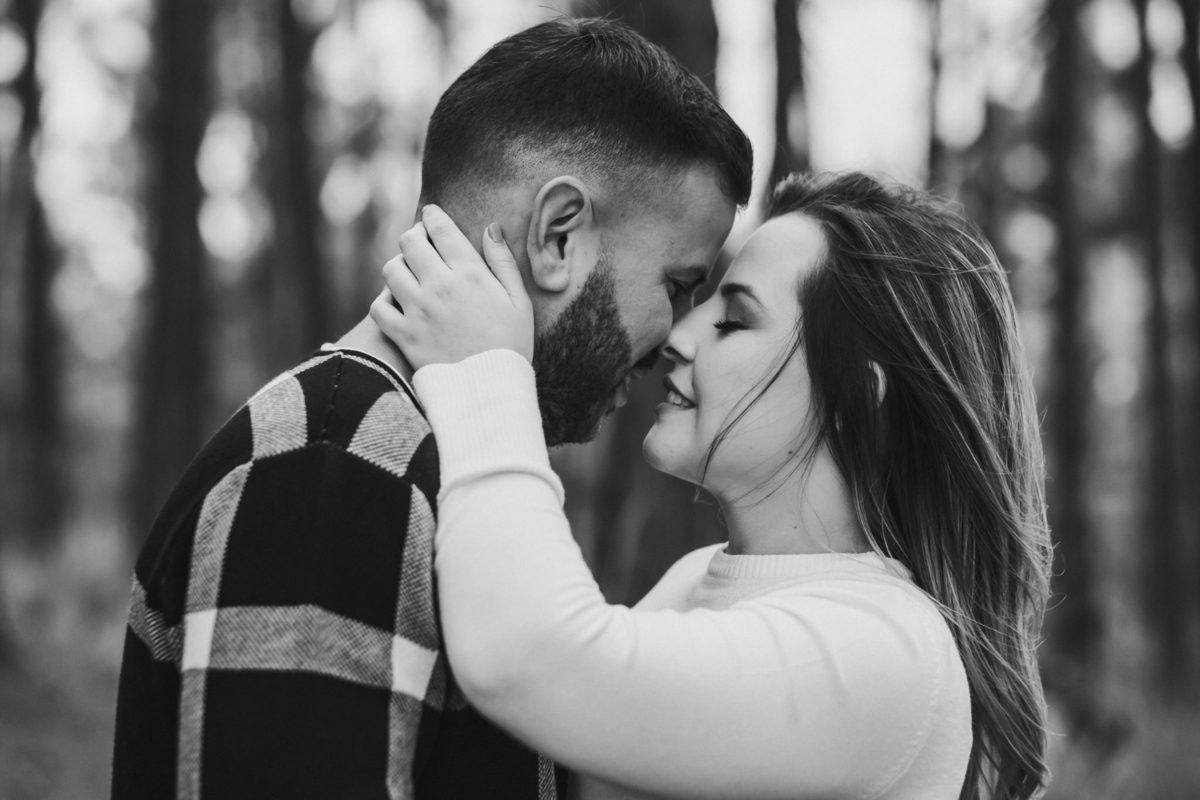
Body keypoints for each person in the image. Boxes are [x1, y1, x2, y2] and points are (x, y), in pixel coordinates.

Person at [110, 17, 752, 799]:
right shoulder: (337, 464)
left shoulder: (432, 469)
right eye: (679, 285)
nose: (678, 340)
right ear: (558, 238)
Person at [369, 171, 1054, 799]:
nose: (679, 335)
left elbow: (532, 660)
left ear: (852, 400)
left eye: (734, 320)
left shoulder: (890, 652)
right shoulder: (702, 580)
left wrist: (487, 372)